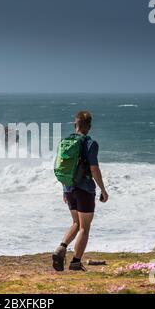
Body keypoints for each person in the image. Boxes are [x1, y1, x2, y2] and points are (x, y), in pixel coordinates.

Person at [52, 111, 109, 271]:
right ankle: (76, 262)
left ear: (75, 125)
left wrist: (64, 189)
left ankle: (61, 248)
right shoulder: (90, 144)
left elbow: (63, 167)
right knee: (84, 227)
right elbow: (94, 169)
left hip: (68, 187)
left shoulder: (65, 142)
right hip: (84, 189)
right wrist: (103, 190)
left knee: (76, 223)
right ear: (89, 127)